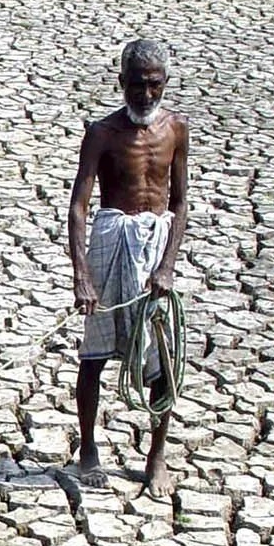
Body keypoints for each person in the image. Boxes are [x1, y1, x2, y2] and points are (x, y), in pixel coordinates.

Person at [67, 39, 188, 498]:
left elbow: (179, 203)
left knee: (161, 357)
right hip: (110, 238)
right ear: (121, 84)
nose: (145, 95)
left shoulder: (176, 129)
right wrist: (82, 274)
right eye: (136, 85)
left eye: (154, 85)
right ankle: (89, 450)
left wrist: (168, 267)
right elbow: (78, 206)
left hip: (156, 244)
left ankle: (156, 457)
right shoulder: (102, 133)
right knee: (94, 356)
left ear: (165, 84)